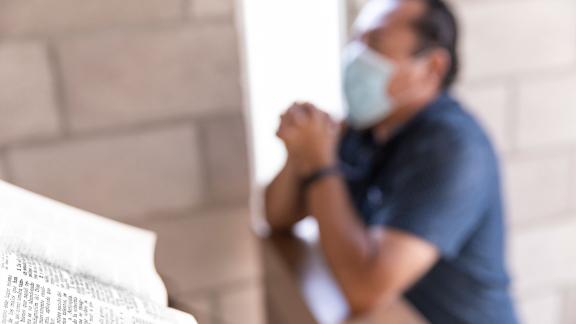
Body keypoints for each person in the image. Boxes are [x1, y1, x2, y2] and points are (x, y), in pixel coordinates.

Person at [264, 0, 520, 323]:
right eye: (356, 41)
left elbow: (365, 289)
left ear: (432, 68)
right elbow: (277, 216)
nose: (356, 57)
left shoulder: (453, 149)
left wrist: (319, 163)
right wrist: (300, 152)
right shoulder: (366, 129)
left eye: (375, 43)